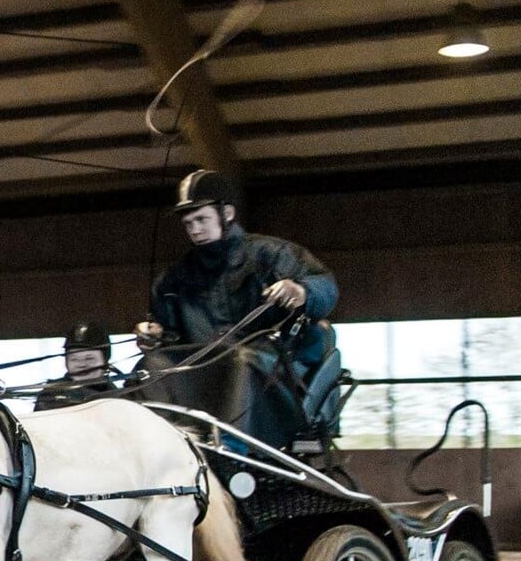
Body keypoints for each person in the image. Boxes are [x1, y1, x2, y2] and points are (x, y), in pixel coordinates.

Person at [135, 170, 338, 447]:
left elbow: (324, 285)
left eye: (201, 219)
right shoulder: (175, 278)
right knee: (150, 366)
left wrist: (301, 291)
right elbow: (169, 335)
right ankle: (162, 445)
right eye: (188, 223)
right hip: (206, 370)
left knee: (241, 361)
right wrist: (154, 336)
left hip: (271, 368)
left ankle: (232, 450)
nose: (194, 229)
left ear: (227, 213)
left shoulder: (270, 254)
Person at [35, 320, 120, 411]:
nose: (81, 365)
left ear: (105, 360)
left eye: (89, 358)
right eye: (74, 359)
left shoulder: (119, 397)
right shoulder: (51, 397)